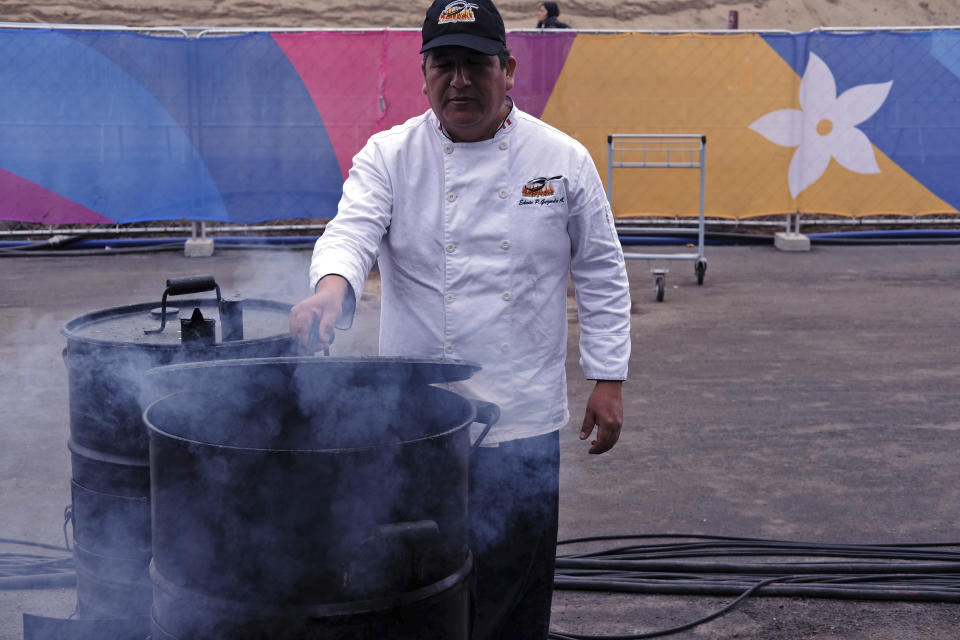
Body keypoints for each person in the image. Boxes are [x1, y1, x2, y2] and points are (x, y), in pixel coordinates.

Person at [289, 0, 630, 637]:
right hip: (417, 424)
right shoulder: (390, 155)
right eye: (444, 64)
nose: (460, 81)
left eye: (475, 64)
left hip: (522, 415)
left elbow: (602, 272)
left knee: (513, 596)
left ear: (508, 70)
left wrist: (608, 376)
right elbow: (351, 233)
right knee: (416, 589)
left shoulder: (561, 160)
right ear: (423, 75)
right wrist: (332, 291)